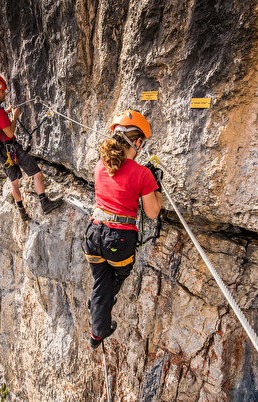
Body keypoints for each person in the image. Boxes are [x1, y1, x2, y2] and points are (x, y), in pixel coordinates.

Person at [83, 110, 163, 348]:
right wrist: (155, 184)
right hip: (117, 240)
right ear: (137, 142)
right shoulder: (143, 174)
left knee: (101, 279)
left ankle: (98, 303)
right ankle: (98, 330)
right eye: (142, 143)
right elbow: (153, 212)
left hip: (93, 233)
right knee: (118, 275)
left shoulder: (101, 165)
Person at [0, 73, 63, 220]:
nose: (5, 94)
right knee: (36, 172)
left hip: (1, 151)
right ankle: (44, 203)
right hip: (11, 148)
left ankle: (21, 212)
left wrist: (5, 113)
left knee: (14, 181)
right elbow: (9, 131)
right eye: (2, 91)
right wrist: (14, 116)